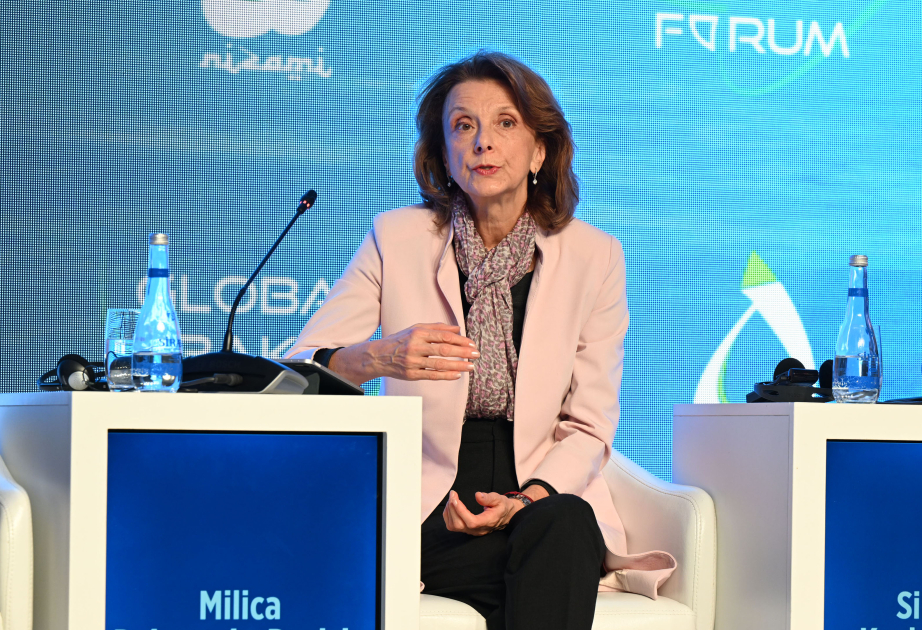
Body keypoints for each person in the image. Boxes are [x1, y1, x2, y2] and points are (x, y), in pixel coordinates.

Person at [286, 51, 675, 629]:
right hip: (429, 505)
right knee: (546, 574)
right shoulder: (397, 238)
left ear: (540, 151)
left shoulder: (595, 257)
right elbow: (298, 369)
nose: (483, 142)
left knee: (565, 526)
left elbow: (590, 424)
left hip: (541, 498)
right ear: (444, 154)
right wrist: (377, 356)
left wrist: (524, 501)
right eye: (463, 126)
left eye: (505, 123)